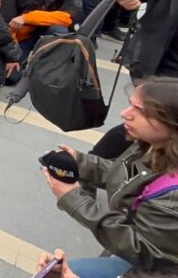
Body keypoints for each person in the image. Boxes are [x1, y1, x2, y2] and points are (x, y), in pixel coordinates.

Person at [40, 78, 178, 277]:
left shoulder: (171, 198)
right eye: (130, 104)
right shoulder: (151, 144)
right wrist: (82, 162)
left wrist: (76, 200)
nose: (125, 113)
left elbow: (146, 252)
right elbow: (128, 176)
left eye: (140, 111)